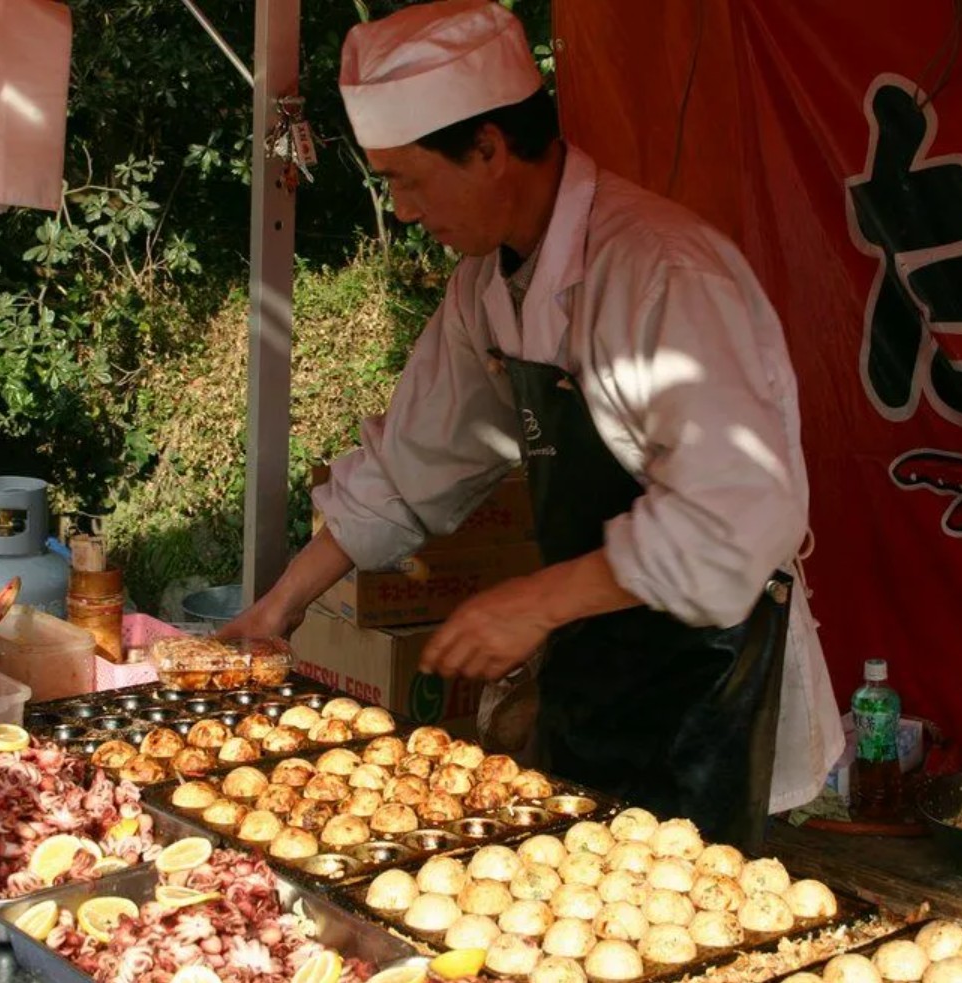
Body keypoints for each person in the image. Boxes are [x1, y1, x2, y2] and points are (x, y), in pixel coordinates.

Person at [222, 0, 842, 846]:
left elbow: (738, 511)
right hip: (591, 656)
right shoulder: (485, 289)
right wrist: (280, 609)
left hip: (706, 675)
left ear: (488, 148)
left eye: (407, 179)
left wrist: (536, 600)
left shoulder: (661, 272)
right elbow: (411, 463)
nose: (402, 210)